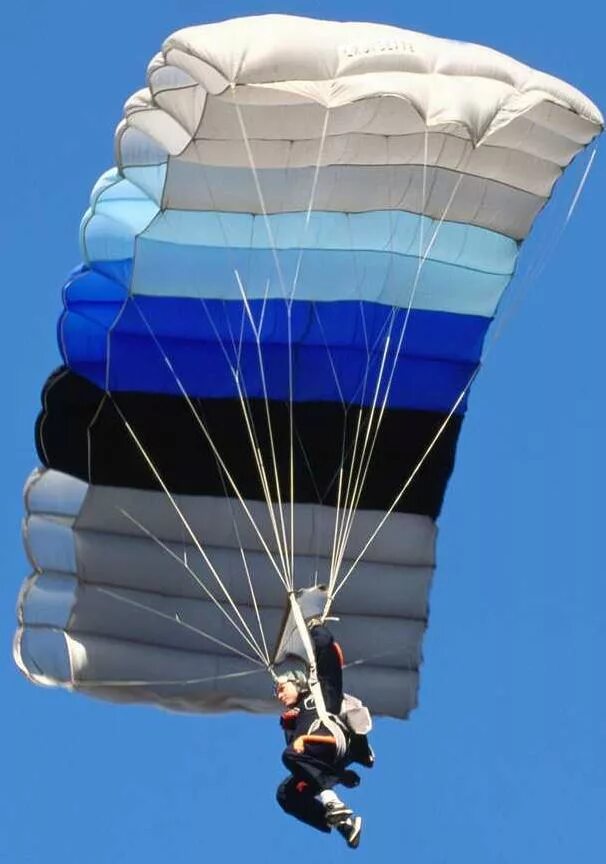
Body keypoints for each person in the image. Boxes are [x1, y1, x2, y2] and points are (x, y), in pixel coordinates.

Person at [274, 620, 374, 848]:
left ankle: (330, 798)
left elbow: (329, 658)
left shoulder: (320, 693)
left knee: (289, 755)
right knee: (285, 794)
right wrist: (290, 727)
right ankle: (342, 823)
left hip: (330, 740)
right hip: (320, 757)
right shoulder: (292, 719)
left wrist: (316, 627)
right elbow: (305, 761)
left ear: (296, 681)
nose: (278, 695)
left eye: (281, 688)